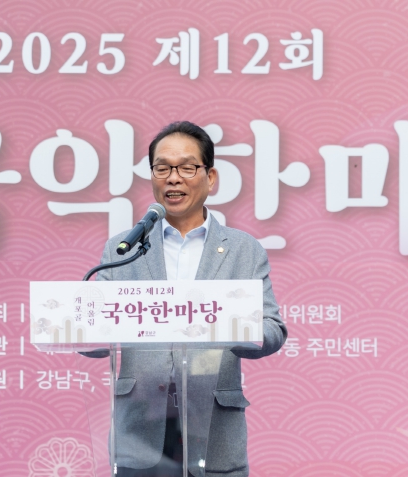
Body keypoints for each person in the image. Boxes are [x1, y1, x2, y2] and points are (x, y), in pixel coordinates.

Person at [90, 121, 287, 477]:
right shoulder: (124, 247)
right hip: (139, 431)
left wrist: (228, 323)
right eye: (162, 168)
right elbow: (93, 334)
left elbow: (272, 330)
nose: (173, 178)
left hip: (213, 431)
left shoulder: (243, 250)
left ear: (210, 177)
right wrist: (81, 324)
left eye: (186, 168)